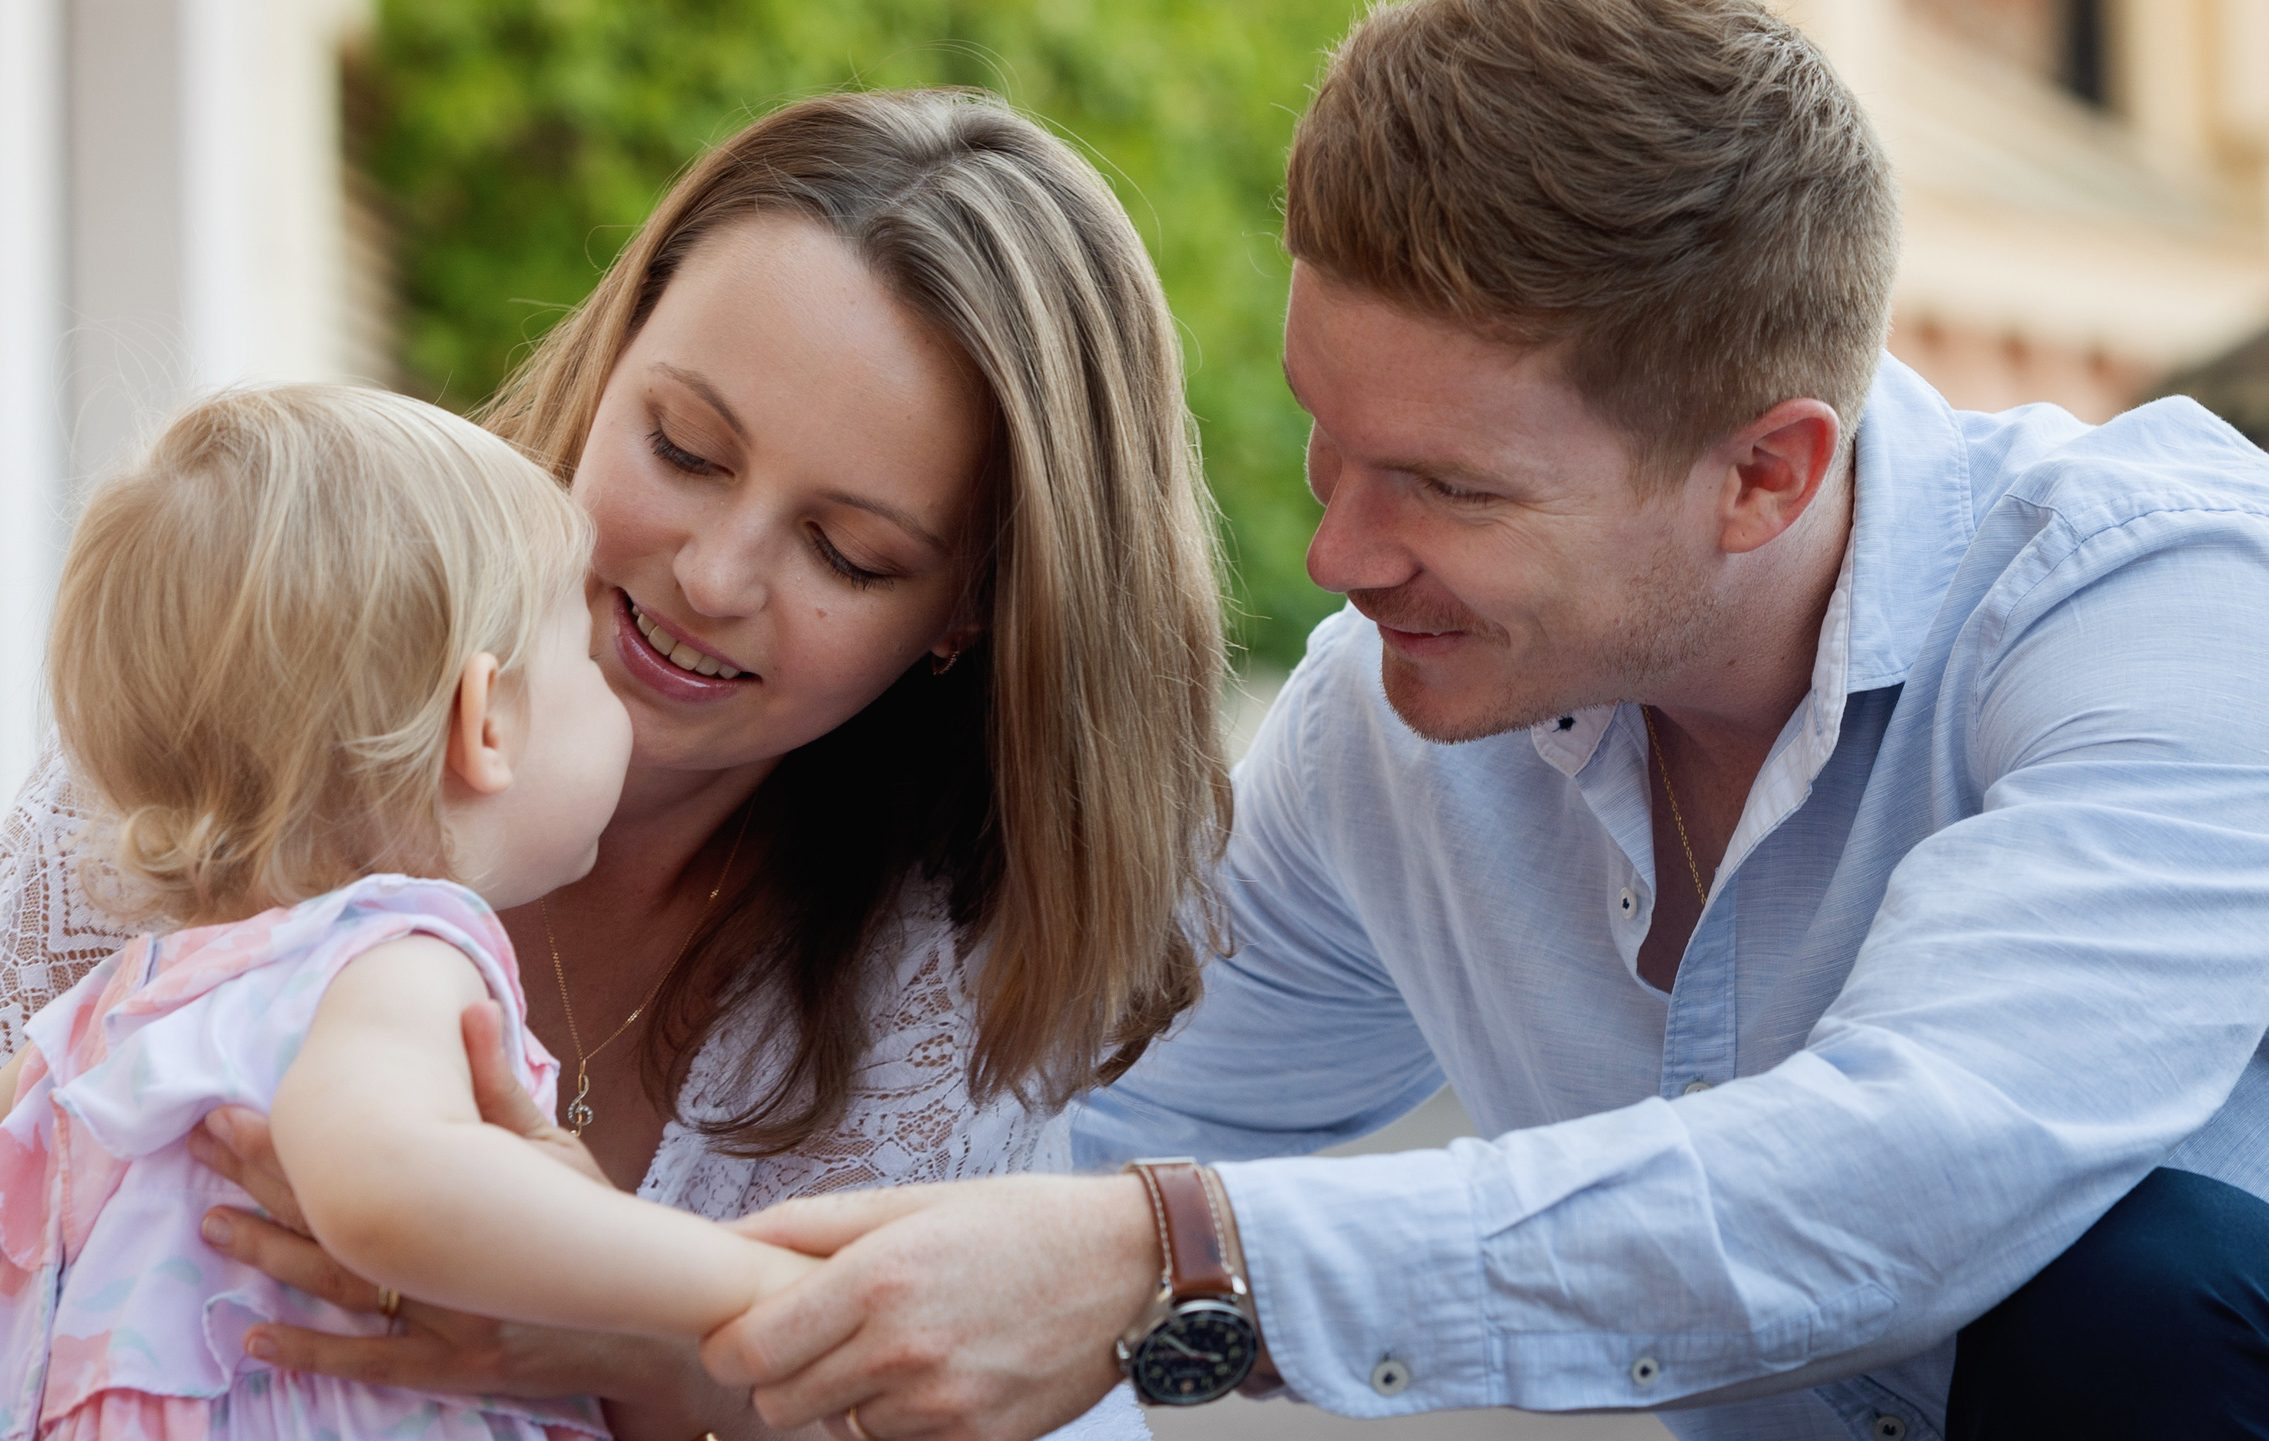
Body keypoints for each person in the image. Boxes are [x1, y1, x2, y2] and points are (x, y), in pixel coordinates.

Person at [696, 3, 2269, 1438]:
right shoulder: (1393, 743)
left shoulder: (2171, 602)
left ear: (1765, 473)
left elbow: (1914, 1169)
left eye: (1449, 488)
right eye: (1331, 441)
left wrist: (1179, 1267)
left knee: (2134, 1286)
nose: (1337, 557)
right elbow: (1029, 1122)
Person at [0, 89, 1228, 1441]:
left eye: (849, 552)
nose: (714, 575)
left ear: (970, 613)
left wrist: (640, 1361)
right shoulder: (234, 741)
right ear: (609, 370)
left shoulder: (943, 997)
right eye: (683, 445)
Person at [0, 384, 839, 1436]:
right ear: (484, 722)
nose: (613, 691)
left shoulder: (119, 1016)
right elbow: (388, 1186)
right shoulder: (393, 954)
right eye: (582, 656)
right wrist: (746, 1284)